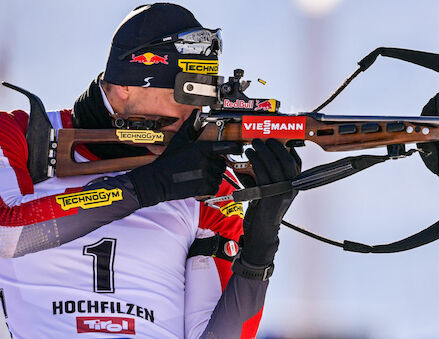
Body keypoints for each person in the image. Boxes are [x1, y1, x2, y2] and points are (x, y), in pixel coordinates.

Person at [0, 3, 299, 338]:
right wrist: (146, 188)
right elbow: (8, 236)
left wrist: (258, 251)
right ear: (126, 83)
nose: (193, 113)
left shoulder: (208, 184)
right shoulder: (21, 137)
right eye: (187, 91)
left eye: (205, 95)